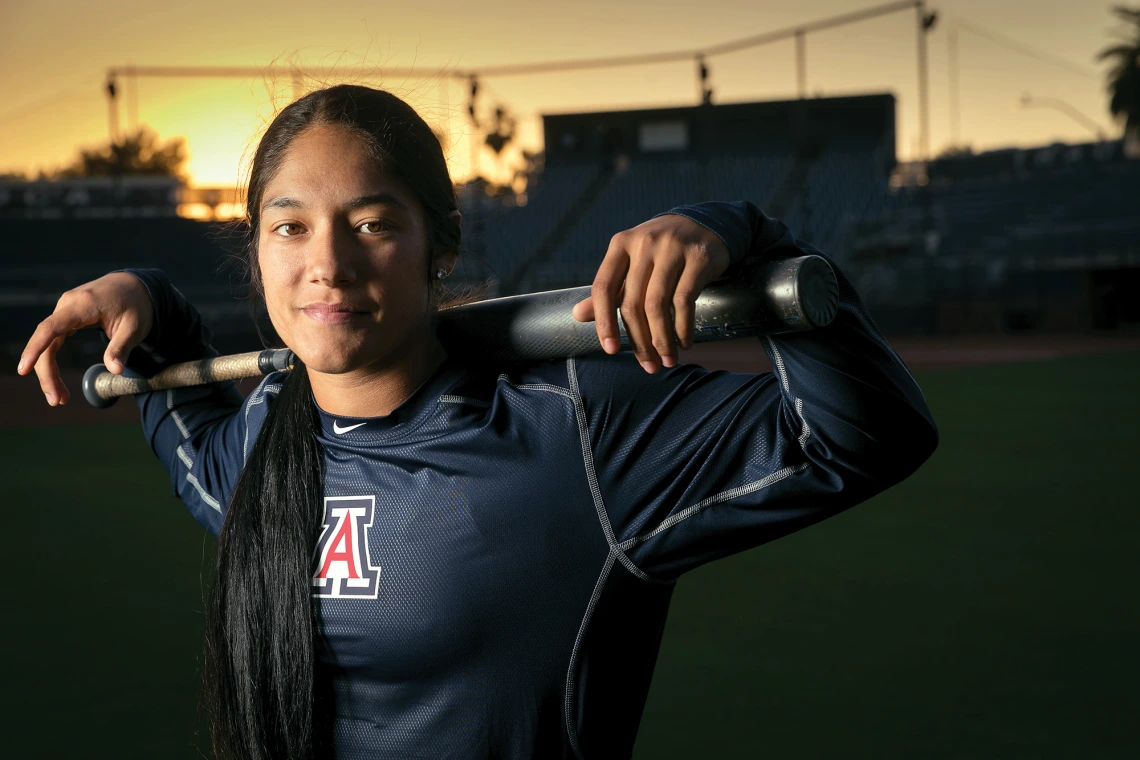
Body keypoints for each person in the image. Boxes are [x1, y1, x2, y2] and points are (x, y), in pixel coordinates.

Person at [17, 85, 937, 759]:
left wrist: (749, 236)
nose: (327, 265)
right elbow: (180, 421)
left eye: (373, 223)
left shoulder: (574, 435)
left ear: (440, 243)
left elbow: (870, 435)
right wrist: (150, 303)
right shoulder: (259, 446)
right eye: (289, 227)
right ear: (254, 251)